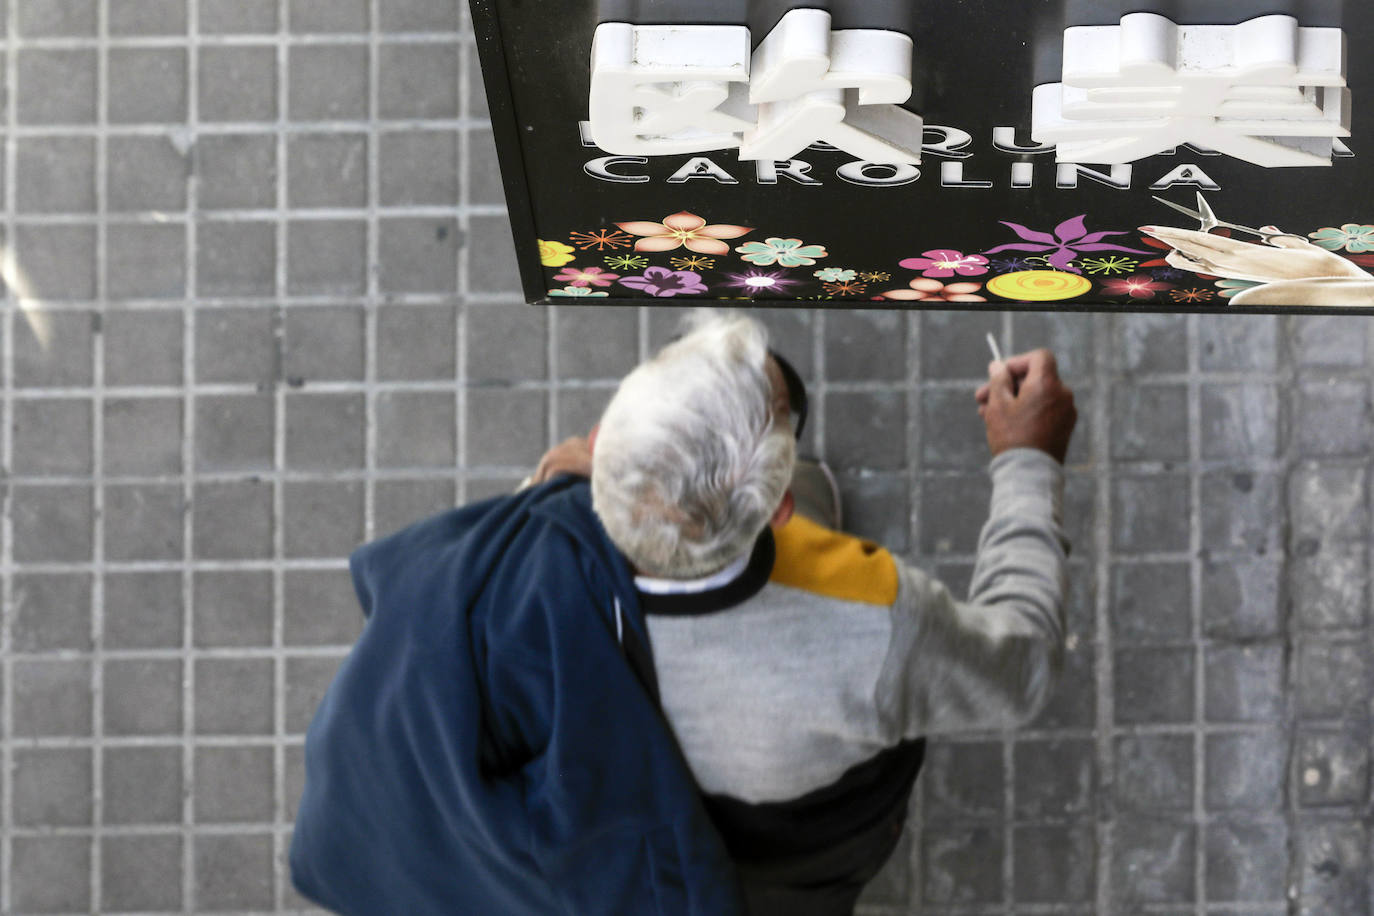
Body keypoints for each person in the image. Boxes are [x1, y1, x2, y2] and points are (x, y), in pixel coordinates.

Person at [291, 310, 1075, 915]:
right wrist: (1027, 461)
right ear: (781, 512)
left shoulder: (513, 545)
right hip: (787, 862)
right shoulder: (873, 619)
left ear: (601, 452)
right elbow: (1024, 663)